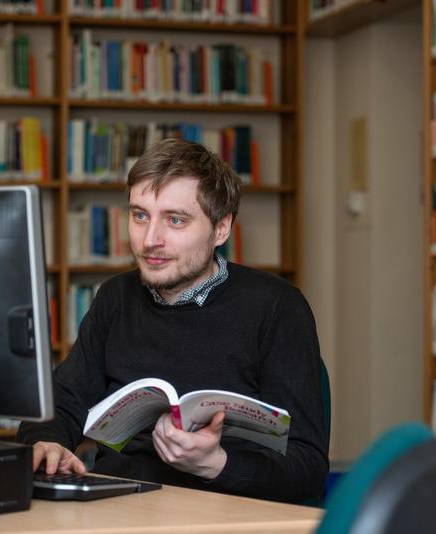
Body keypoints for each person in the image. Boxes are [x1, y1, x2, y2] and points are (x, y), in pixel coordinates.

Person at [16, 138, 328, 503]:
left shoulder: (277, 307)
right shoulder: (115, 298)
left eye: (175, 220)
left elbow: (307, 470)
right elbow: (61, 403)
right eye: (139, 216)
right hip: (119, 511)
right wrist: (47, 444)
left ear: (221, 229)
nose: (150, 240)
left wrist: (215, 463)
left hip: (228, 517)